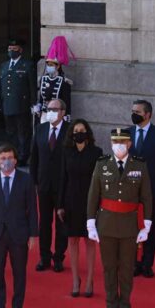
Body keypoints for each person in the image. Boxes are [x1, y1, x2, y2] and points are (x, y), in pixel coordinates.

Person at [87, 128, 153, 308]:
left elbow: (146, 196)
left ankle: (124, 302)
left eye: (122, 142)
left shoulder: (139, 165)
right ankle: (111, 302)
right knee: (109, 268)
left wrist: (146, 225)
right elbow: (93, 195)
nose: (119, 146)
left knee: (126, 269)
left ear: (129, 144)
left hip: (130, 226)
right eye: (115, 142)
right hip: (106, 225)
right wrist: (91, 223)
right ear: (111, 144)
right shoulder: (102, 164)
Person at [0, 144, 38, 308]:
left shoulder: (26, 180)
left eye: (10, 158)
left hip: (19, 234)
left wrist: (33, 234)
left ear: (16, 160)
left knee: (19, 273)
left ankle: (17, 304)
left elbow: (32, 208)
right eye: (3, 158)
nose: (7, 161)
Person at [57, 119, 102, 297]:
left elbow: (100, 181)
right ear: (71, 134)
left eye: (82, 130)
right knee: (73, 240)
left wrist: (100, 205)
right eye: (76, 130)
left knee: (90, 241)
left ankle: (90, 280)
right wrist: (60, 205)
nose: (79, 133)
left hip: (90, 201)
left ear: (87, 132)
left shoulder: (97, 152)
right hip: (70, 202)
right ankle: (76, 280)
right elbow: (62, 178)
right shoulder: (67, 152)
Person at [129, 99, 155, 278]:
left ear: (148, 114)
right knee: (131, 227)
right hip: (130, 190)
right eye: (133, 111)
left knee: (149, 226)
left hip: (152, 190)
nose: (134, 114)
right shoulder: (127, 133)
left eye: (138, 112)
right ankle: (134, 263)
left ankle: (147, 263)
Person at [30, 98, 69, 272]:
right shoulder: (40, 129)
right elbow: (34, 158)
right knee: (44, 222)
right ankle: (44, 257)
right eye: (48, 109)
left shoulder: (70, 132)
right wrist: (33, 181)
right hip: (44, 184)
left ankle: (59, 257)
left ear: (62, 112)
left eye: (54, 109)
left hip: (63, 185)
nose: (50, 112)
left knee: (62, 223)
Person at [0, 39, 37, 164]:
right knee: (10, 132)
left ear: (20, 50)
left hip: (21, 105)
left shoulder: (27, 65)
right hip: (7, 104)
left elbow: (32, 86)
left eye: (15, 49)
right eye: (10, 49)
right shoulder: (4, 65)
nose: (12, 51)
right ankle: (13, 153)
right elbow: (0, 84)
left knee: (23, 132)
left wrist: (33, 103)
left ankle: (23, 156)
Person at [33, 36, 74, 123]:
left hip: (57, 114)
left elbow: (67, 102)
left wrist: (66, 116)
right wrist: (38, 106)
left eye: (51, 65)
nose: (49, 66)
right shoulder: (43, 79)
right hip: (44, 113)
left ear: (58, 66)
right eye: (48, 64)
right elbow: (41, 98)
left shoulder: (64, 81)